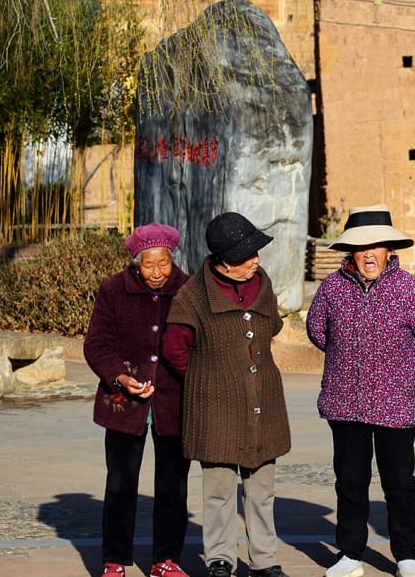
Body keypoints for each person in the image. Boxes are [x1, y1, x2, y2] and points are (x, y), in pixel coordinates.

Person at [306, 204, 415, 577]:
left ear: (389, 250)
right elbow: (317, 331)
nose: (369, 254)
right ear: (350, 251)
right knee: (350, 481)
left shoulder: (409, 289)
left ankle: (405, 556)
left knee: (399, 483)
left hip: (396, 403)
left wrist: (399, 365)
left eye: (376, 246)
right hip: (344, 401)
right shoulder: (333, 288)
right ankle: (350, 555)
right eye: (361, 247)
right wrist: (347, 358)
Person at [162, 212, 291, 577]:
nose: (255, 261)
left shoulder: (262, 285)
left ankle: (265, 560)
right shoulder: (192, 297)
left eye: (255, 253)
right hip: (215, 411)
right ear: (222, 261)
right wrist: (211, 379)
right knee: (218, 491)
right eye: (246, 256)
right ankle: (220, 558)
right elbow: (175, 350)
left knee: (261, 489)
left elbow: (273, 327)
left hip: (263, 405)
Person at [83, 222, 192, 577]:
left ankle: (166, 560)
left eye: (164, 263)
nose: (158, 272)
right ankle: (114, 560)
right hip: (123, 404)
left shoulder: (189, 289)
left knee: (173, 487)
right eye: (149, 265)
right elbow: (97, 345)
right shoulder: (113, 289)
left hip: (174, 404)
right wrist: (120, 376)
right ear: (135, 262)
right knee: (120, 485)